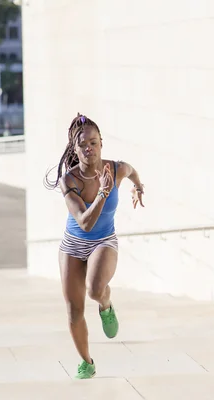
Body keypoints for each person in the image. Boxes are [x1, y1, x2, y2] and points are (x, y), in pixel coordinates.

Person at [44, 113, 145, 379]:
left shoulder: (116, 169)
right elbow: (85, 223)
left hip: (104, 241)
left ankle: (106, 305)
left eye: (94, 142)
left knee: (95, 289)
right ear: (75, 150)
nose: (89, 147)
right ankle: (87, 362)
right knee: (74, 310)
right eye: (82, 144)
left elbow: (132, 170)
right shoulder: (70, 181)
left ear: (101, 143)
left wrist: (138, 187)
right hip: (73, 244)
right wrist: (102, 192)